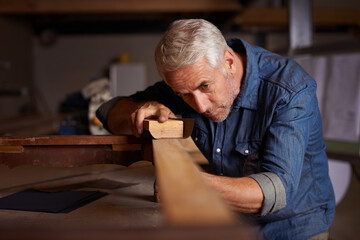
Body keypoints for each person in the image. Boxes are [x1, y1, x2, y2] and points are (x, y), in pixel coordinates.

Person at [96, 19, 335, 239]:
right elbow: (107, 112)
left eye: (205, 86)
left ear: (228, 62)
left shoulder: (290, 89)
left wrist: (185, 182)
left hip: (296, 227)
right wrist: (141, 109)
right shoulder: (189, 78)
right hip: (229, 221)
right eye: (184, 95)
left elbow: (276, 190)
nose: (199, 105)